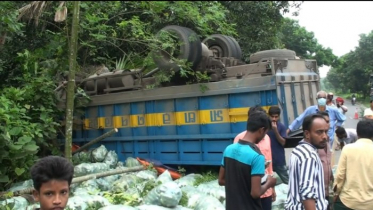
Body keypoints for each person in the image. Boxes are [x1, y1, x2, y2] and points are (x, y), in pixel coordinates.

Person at [219, 111, 276, 210]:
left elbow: (221, 180)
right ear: (261, 130)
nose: (264, 136)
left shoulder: (228, 149)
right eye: (265, 133)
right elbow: (255, 193)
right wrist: (269, 183)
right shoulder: (257, 156)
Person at [285, 114, 329, 210]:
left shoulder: (298, 149)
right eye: (319, 132)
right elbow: (307, 193)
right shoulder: (309, 156)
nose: (325, 136)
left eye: (326, 132)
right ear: (307, 134)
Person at [333, 119, 373, 210]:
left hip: (348, 201)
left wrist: (336, 193)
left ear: (357, 133)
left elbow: (340, 176)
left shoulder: (347, 149)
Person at [266, 106, 289, 185]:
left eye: (276, 117)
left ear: (279, 116)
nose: (274, 119)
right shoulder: (265, 127)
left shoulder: (281, 127)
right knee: (268, 182)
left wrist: (275, 131)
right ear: (269, 116)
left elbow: (283, 142)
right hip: (267, 161)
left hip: (279, 160)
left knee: (287, 181)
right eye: (272, 117)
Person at [316, 111, 334, 210]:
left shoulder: (326, 140)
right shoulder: (314, 144)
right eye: (326, 121)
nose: (328, 124)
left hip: (326, 189)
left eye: (329, 121)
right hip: (317, 192)